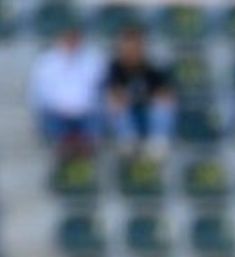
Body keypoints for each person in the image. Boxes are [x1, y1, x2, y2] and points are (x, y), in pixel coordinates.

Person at [28, 25, 107, 156]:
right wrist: (61, 108)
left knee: (96, 123)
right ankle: (64, 157)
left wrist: (83, 108)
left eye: (74, 37)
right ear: (59, 39)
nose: (71, 41)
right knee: (53, 124)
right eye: (67, 38)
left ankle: (85, 156)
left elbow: (100, 89)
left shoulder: (94, 61)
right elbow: (40, 94)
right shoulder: (46, 62)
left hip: (86, 113)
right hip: (56, 113)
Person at [103, 26, 176, 159]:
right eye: (129, 47)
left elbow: (164, 92)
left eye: (137, 46)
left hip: (147, 112)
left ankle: (158, 142)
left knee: (164, 104)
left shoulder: (151, 68)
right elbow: (114, 92)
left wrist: (155, 97)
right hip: (127, 114)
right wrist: (126, 97)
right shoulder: (115, 68)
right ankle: (128, 141)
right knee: (114, 104)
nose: (133, 51)